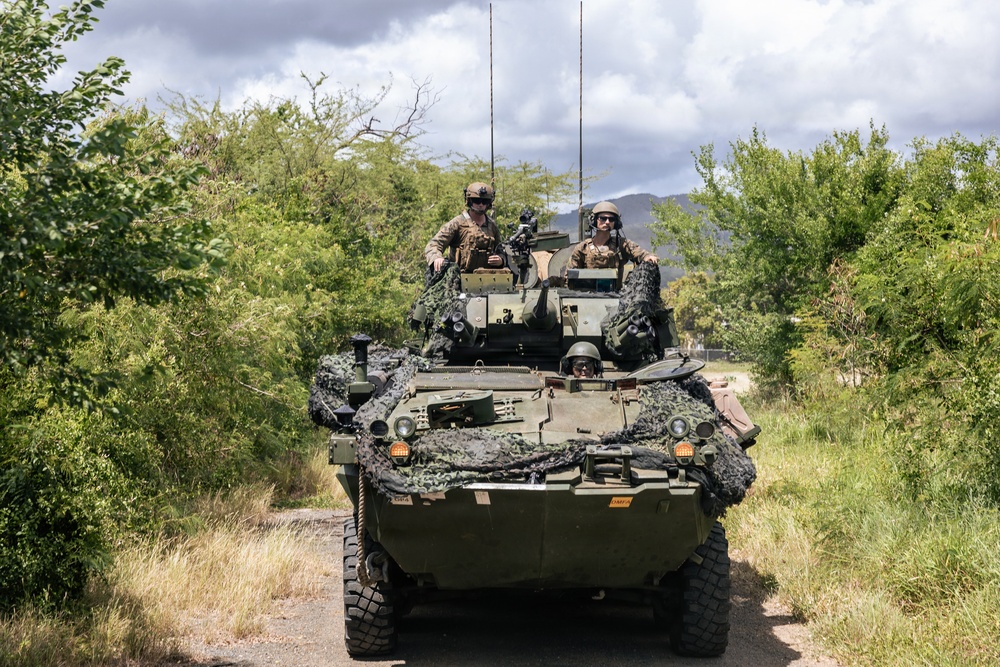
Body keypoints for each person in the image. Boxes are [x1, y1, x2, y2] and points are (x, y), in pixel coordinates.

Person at [424, 182, 505, 273]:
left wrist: (501, 260)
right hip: (458, 279)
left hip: (487, 279)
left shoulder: (492, 225)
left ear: (489, 203)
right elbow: (434, 244)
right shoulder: (457, 223)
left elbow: (501, 250)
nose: (481, 204)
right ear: (469, 201)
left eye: (484, 201)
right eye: (476, 201)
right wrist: (437, 258)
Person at [569, 201, 659, 269]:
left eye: (611, 219)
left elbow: (641, 254)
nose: (607, 222)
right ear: (594, 220)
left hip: (616, 293)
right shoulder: (582, 248)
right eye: (603, 218)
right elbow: (569, 276)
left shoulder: (621, 244)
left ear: (616, 223)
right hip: (585, 293)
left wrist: (648, 257)